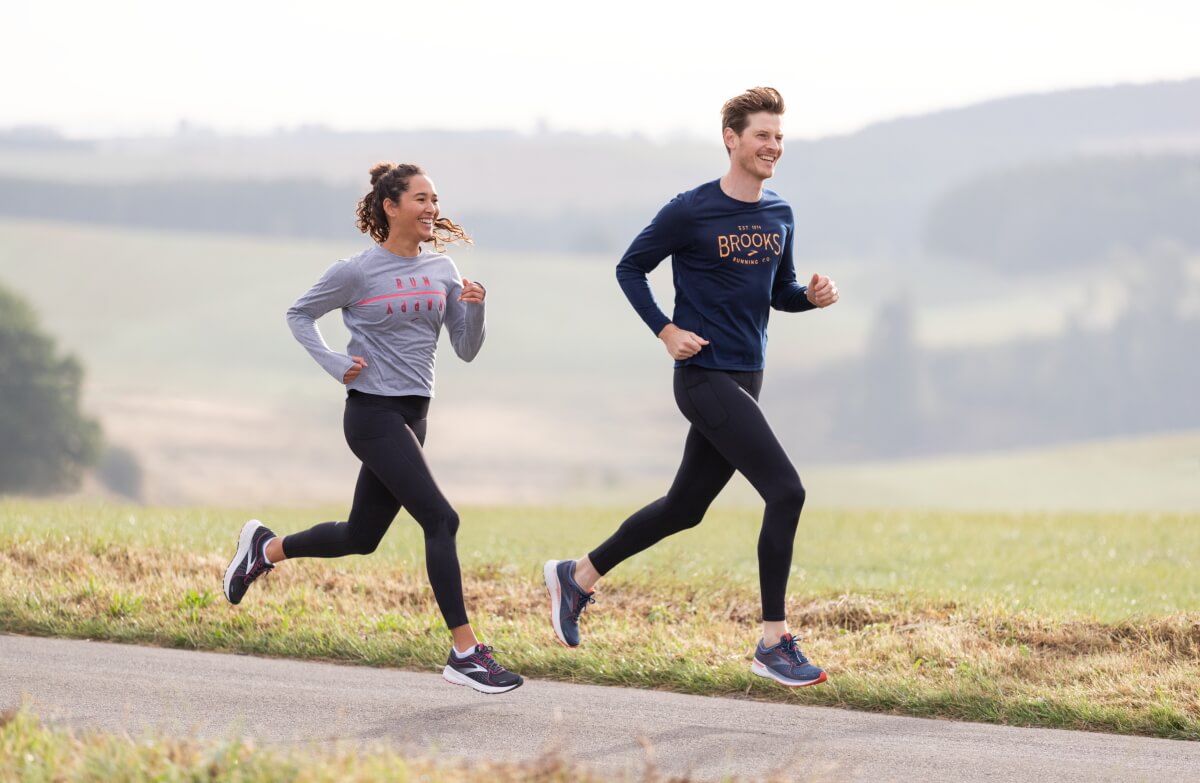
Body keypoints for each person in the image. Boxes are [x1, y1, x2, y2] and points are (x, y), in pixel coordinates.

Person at [543, 87, 839, 688]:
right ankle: (772, 642)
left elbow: (778, 293)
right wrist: (665, 330)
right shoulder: (691, 210)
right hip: (702, 376)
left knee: (685, 508)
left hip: (747, 376)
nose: (772, 146)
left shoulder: (779, 213)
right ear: (731, 139)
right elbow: (630, 266)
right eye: (762, 135)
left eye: (779, 137)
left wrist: (808, 298)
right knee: (787, 492)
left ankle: (576, 578)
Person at [223, 162, 522, 694]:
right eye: (421, 199)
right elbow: (299, 314)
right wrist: (336, 363)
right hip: (371, 414)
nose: (432, 209)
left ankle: (263, 550)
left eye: (435, 200)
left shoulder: (443, 271)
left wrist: (476, 310)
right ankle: (465, 653)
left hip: (414, 415)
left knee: (361, 537)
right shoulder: (357, 271)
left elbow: (466, 349)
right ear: (391, 206)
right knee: (441, 518)